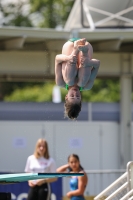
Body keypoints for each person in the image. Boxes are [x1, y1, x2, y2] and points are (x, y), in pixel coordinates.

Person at [55, 38, 100, 120]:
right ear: (81, 98)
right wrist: (89, 63)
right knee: (82, 83)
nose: (75, 93)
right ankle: (84, 52)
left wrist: (68, 59)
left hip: (71, 45)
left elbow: (57, 59)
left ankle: (75, 51)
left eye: (72, 96)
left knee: (69, 81)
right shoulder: (87, 85)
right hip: (85, 45)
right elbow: (97, 64)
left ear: (66, 97)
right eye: (78, 96)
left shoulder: (60, 82)